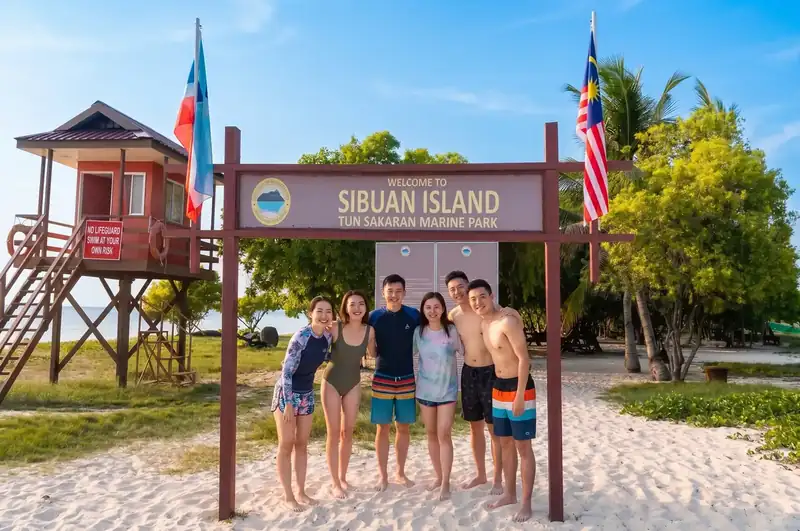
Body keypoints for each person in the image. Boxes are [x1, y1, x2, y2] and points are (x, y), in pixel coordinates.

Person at [444, 270, 521, 495]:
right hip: (469, 373)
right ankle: (481, 474)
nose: (457, 292)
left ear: (469, 287)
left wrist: (511, 311)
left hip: (491, 373)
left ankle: (498, 479)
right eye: (452, 289)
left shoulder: (485, 311)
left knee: (494, 429)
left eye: (460, 287)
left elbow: (510, 318)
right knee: (474, 428)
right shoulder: (453, 316)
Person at [467, 278, 535, 523]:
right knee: (504, 443)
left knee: (523, 447)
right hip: (498, 388)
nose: (478, 302)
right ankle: (509, 493)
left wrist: (519, 395)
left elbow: (524, 359)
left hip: (519, 387)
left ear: (491, 295)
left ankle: (526, 503)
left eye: (482, 297)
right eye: (473, 299)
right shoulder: (485, 324)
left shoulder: (508, 321)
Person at [270, 296, 334, 512]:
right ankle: (288, 495)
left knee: (302, 443)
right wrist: (288, 403)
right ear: (311, 313)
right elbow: (286, 371)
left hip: (307, 393)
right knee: (286, 442)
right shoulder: (301, 336)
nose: (324, 316)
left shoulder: (326, 337)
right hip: (287, 393)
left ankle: (301, 491)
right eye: (319, 311)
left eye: (328, 311)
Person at [321, 290, 375, 499]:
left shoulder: (370, 331)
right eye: (352, 304)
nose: (357, 308)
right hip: (331, 381)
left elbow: (375, 354)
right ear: (345, 307)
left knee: (347, 432)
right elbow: (315, 337)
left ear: (365, 308)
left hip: (353, 382)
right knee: (333, 432)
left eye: (361, 304)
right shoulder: (335, 327)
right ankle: (335, 482)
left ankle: (343, 477)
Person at [368, 273, 419, 491]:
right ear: (383, 292)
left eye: (399, 291)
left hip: (407, 378)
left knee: (403, 428)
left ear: (404, 293)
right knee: (382, 428)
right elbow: (350, 323)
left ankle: (400, 472)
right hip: (382, 378)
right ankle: (383, 475)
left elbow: (440, 322)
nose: (394, 295)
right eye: (390, 291)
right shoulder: (374, 316)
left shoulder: (413, 315)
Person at [413, 291, 462, 501]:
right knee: (431, 434)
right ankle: (438, 476)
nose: (432, 311)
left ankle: (446, 482)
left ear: (443, 309)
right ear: (423, 310)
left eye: (436, 307)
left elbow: (466, 350)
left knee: (444, 434)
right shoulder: (418, 332)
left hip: (447, 391)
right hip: (424, 391)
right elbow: (408, 353)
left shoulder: (451, 330)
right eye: (428, 307)